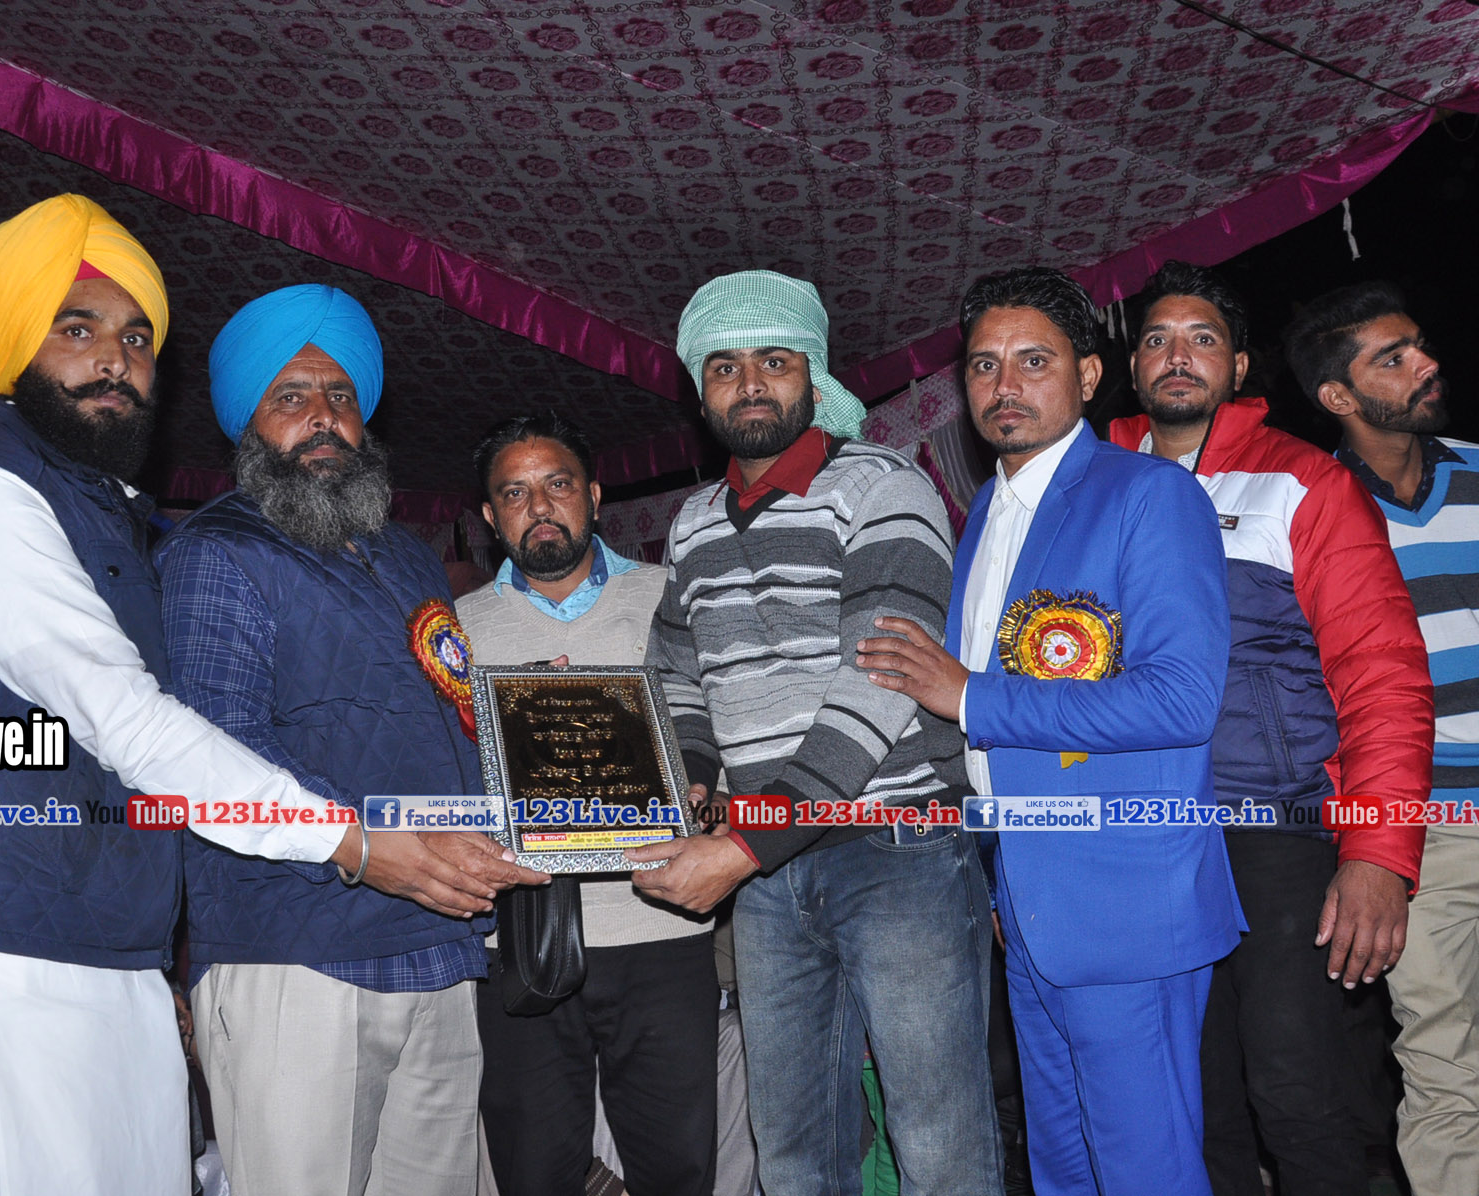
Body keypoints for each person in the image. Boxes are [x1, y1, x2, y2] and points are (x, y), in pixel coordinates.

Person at [0, 195, 420, 1196]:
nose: (115, 360)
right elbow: (120, 719)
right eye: (76, 330)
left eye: (135, 339)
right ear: (10, 345)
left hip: (102, 944)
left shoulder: (111, 515)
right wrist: (351, 841)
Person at [856, 266, 1243, 1196]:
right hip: (1026, 903)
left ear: (1090, 374)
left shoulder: (1149, 494)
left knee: (1145, 1172)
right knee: (1063, 1169)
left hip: (1126, 904)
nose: (1005, 384)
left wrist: (974, 697)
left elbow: (1182, 699)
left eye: (1034, 361)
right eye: (983, 365)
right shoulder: (985, 515)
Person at [154, 284, 546, 1196]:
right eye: (290, 397)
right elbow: (213, 761)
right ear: (247, 423)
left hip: (440, 946)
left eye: (340, 395)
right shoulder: (217, 555)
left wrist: (561, 761)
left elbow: (454, 726)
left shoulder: (407, 556)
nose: (323, 417)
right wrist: (372, 850)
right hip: (299, 956)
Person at [628, 270, 1002, 1196]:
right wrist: (698, 774)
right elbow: (674, 672)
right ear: (700, 392)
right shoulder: (692, 525)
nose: (750, 383)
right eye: (724, 367)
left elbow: (880, 683)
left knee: (938, 1145)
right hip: (766, 873)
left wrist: (743, 846)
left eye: (774, 360)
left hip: (897, 851)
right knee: (793, 1150)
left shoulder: (883, 486)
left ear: (813, 375)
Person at [1104, 261, 1432, 1196]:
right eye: (1158, 339)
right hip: (1138, 838)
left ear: (1240, 365)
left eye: (1202, 338)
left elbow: (1383, 675)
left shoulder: (1304, 481)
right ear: (1132, 366)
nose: (1178, 356)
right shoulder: (1088, 486)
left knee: (1298, 1095)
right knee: (1193, 1103)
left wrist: (1378, 854)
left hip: (1274, 831)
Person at [1286, 281, 1479, 1196]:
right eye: (1393, 358)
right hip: (1419, 832)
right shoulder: (1315, 508)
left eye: (1420, 346)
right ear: (1337, 394)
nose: (1427, 364)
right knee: (1448, 1077)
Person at [456, 412, 721, 1196]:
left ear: (595, 496)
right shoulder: (456, 630)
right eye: (515, 493)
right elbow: (442, 771)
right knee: (534, 1173)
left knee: (678, 1171)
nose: (539, 507)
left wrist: (707, 793)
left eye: (558, 484)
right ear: (490, 517)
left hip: (663, 926)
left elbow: (723, 728)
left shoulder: (670, 597)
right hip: (522, 940)